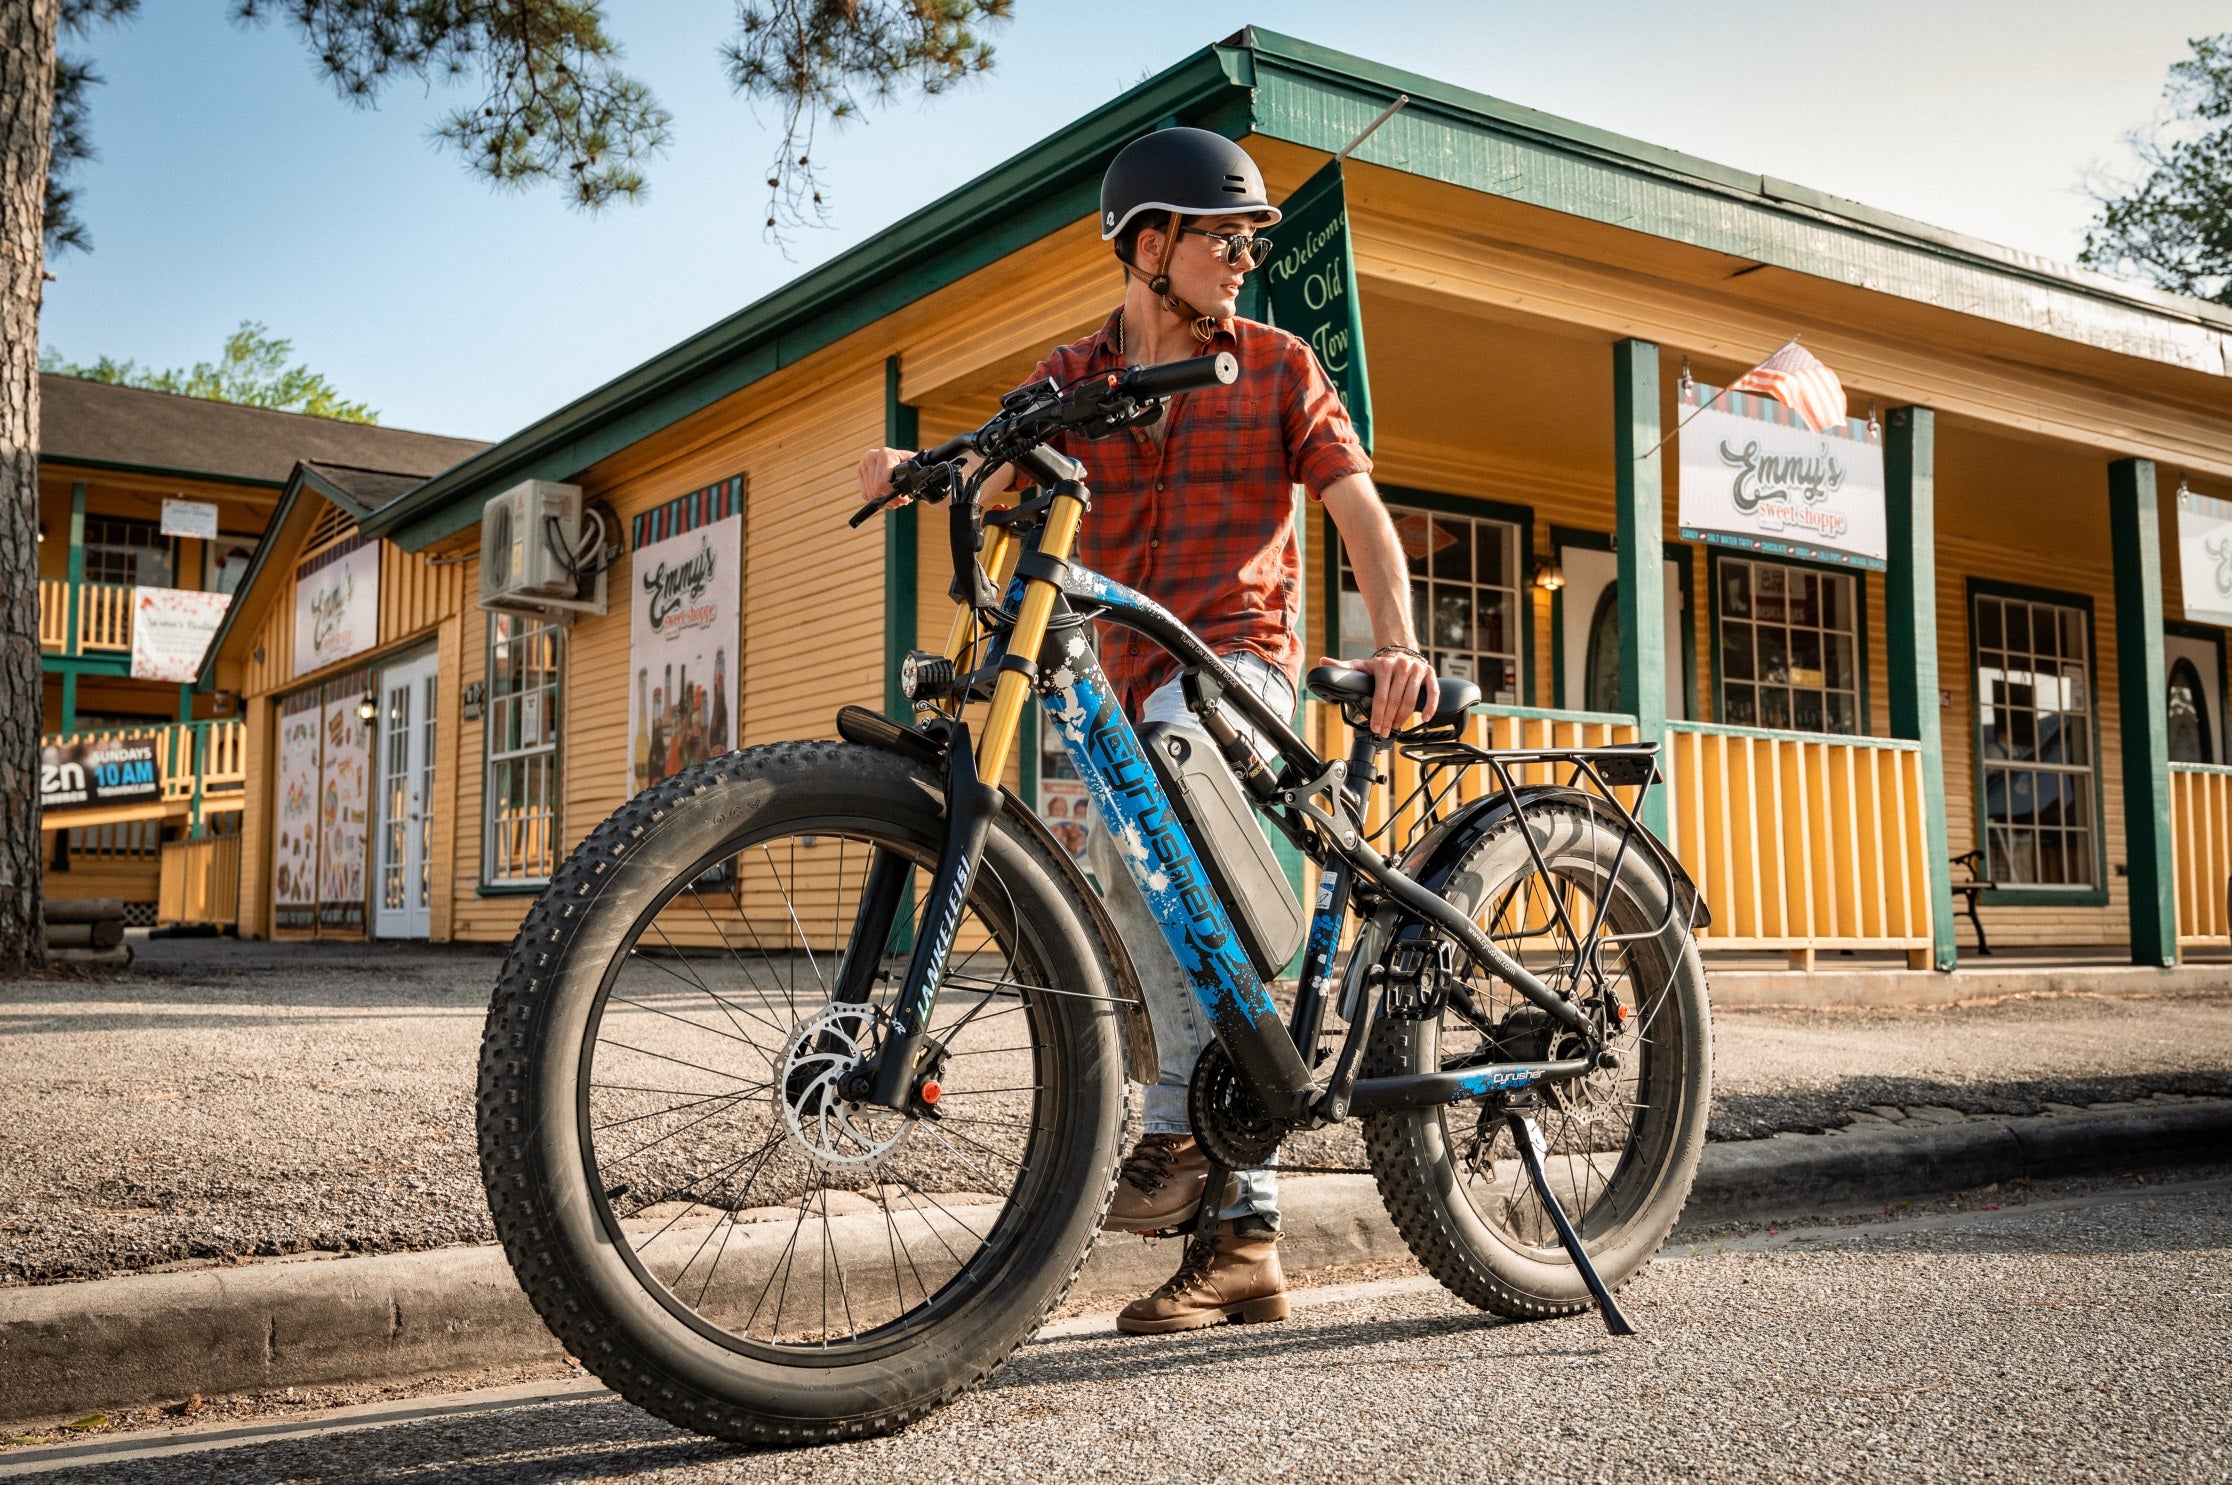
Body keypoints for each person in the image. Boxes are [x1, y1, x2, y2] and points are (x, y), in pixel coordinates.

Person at [855, 127, 1434, 1335]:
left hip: (1228, 673)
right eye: (1225, 238)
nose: (1245, 258)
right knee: (1135, 904)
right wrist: (924, 464)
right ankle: (1244, 1244)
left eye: (1253, 240)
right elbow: (1001, 461)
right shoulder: (1077, 372)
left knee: (1184, 862)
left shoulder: (1276, 366)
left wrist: (1400, 642)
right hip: (1109, 680)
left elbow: (1358, 509)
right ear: (1151, 245)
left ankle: (1178, 1122)